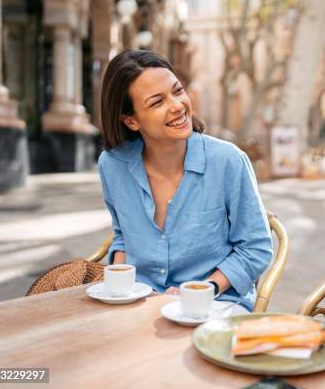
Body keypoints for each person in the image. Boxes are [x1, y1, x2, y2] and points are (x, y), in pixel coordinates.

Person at [98, 50, 273, 311]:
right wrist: (122, 285)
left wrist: (205, 289)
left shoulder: (228, 161)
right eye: (157, 102)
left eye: (177, 91)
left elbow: (255, 248)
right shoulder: (112, 165)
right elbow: (123, 235)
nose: (178, 105)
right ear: (131, 120)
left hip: (216, 301)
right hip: (141, 299)